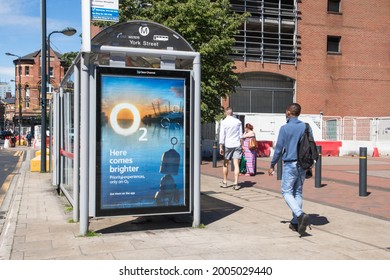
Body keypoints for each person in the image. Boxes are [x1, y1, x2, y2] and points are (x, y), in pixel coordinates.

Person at [268, 103, 311, 236]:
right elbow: (310, 145)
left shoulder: (285, 128)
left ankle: (299, 214)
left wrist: (272, 164)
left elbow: (279, 149)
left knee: (286, 192)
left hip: (290, 163)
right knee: (297, 192)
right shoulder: (306, 127)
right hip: (303, 164)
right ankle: (295, 222)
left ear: (288, 112)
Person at [219, 107, 243, 190]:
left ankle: (225, 182)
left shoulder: (224, 122)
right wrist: (242, 145)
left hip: (228, 144)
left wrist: (221, 146)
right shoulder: (238, 122)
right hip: (237, 144)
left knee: (225, 163)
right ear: (232, 113)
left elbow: (222, 134)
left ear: (226, 113)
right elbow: (241, 135)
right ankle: (236, 183)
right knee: (236, 164)